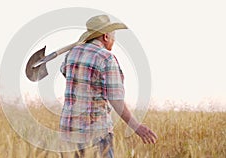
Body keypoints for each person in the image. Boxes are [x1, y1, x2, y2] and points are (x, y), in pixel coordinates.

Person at [59, 15, 157, 158]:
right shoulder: (106, 58)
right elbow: (115, 99)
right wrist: (137, 127)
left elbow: (66, 73)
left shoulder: (72, 53)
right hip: (96, 134)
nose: (114, 40)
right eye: (113, 36)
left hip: (68, 132)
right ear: (105, 36)